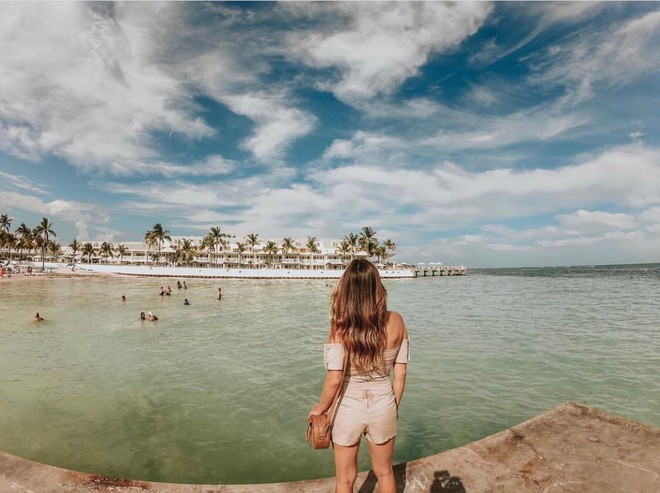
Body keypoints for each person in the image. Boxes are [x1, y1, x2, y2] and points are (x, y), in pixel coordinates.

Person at [308, 259, 409, 493]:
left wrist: (320, 409)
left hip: (347, 407)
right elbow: (400, 373)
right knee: (384, 472)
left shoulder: (340, 326)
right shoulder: (396, 320)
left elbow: (335, 379)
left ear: (347, 289)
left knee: (345, 480)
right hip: (384, 402)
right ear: (377, 286)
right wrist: (393, 406)